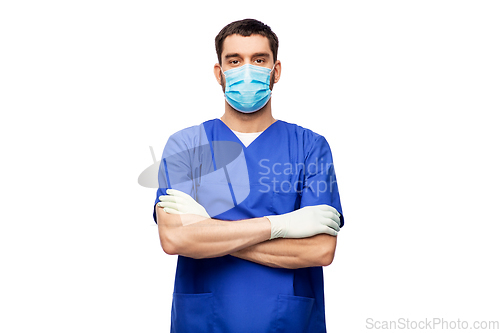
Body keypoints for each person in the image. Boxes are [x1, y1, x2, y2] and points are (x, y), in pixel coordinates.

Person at [153, 18, 344, 333]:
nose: (247, 69)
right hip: (205, 321)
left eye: (259, 60)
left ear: (276, 71)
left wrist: (208, 234)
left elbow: (319, 250)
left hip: (287, 323)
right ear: (220, 73)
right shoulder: (187, 145)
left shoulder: (310, 146)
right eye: (234, 61)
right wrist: (281, 226)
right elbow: (175, 238)